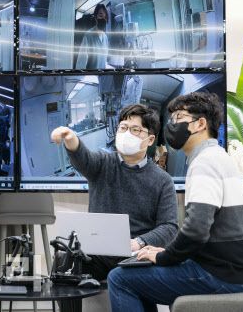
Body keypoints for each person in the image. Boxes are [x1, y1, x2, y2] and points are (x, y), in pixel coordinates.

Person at [107, 92, 243, 312]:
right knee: (138, 273)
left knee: (120, 278)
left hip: (219, 275)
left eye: (178, 117)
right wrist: (164, 252)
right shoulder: (219, 156)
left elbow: (196, 230)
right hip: (233, 271)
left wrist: (164, 256)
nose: (172, 124)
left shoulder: (204, 162)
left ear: (200, 124)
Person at [50, 104, 178, 280]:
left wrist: (139, 242)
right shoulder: (103, 163)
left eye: (135, 130)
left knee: (129, 277)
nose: (127, 134)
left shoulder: (163, 181)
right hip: (96, 253)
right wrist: (71, 139)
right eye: (123, 128)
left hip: (135, 255)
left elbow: (169, 227)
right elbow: (83, 158)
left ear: (150, 140)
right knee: (64, 264)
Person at [76, 3, 109, 70]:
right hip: (91, 76)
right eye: (101, 15)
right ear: (95, 17)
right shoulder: (88, 35)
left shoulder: (105, 37)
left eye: (105, 17)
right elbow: (81, 63)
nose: (103, 19)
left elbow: (104, 59)